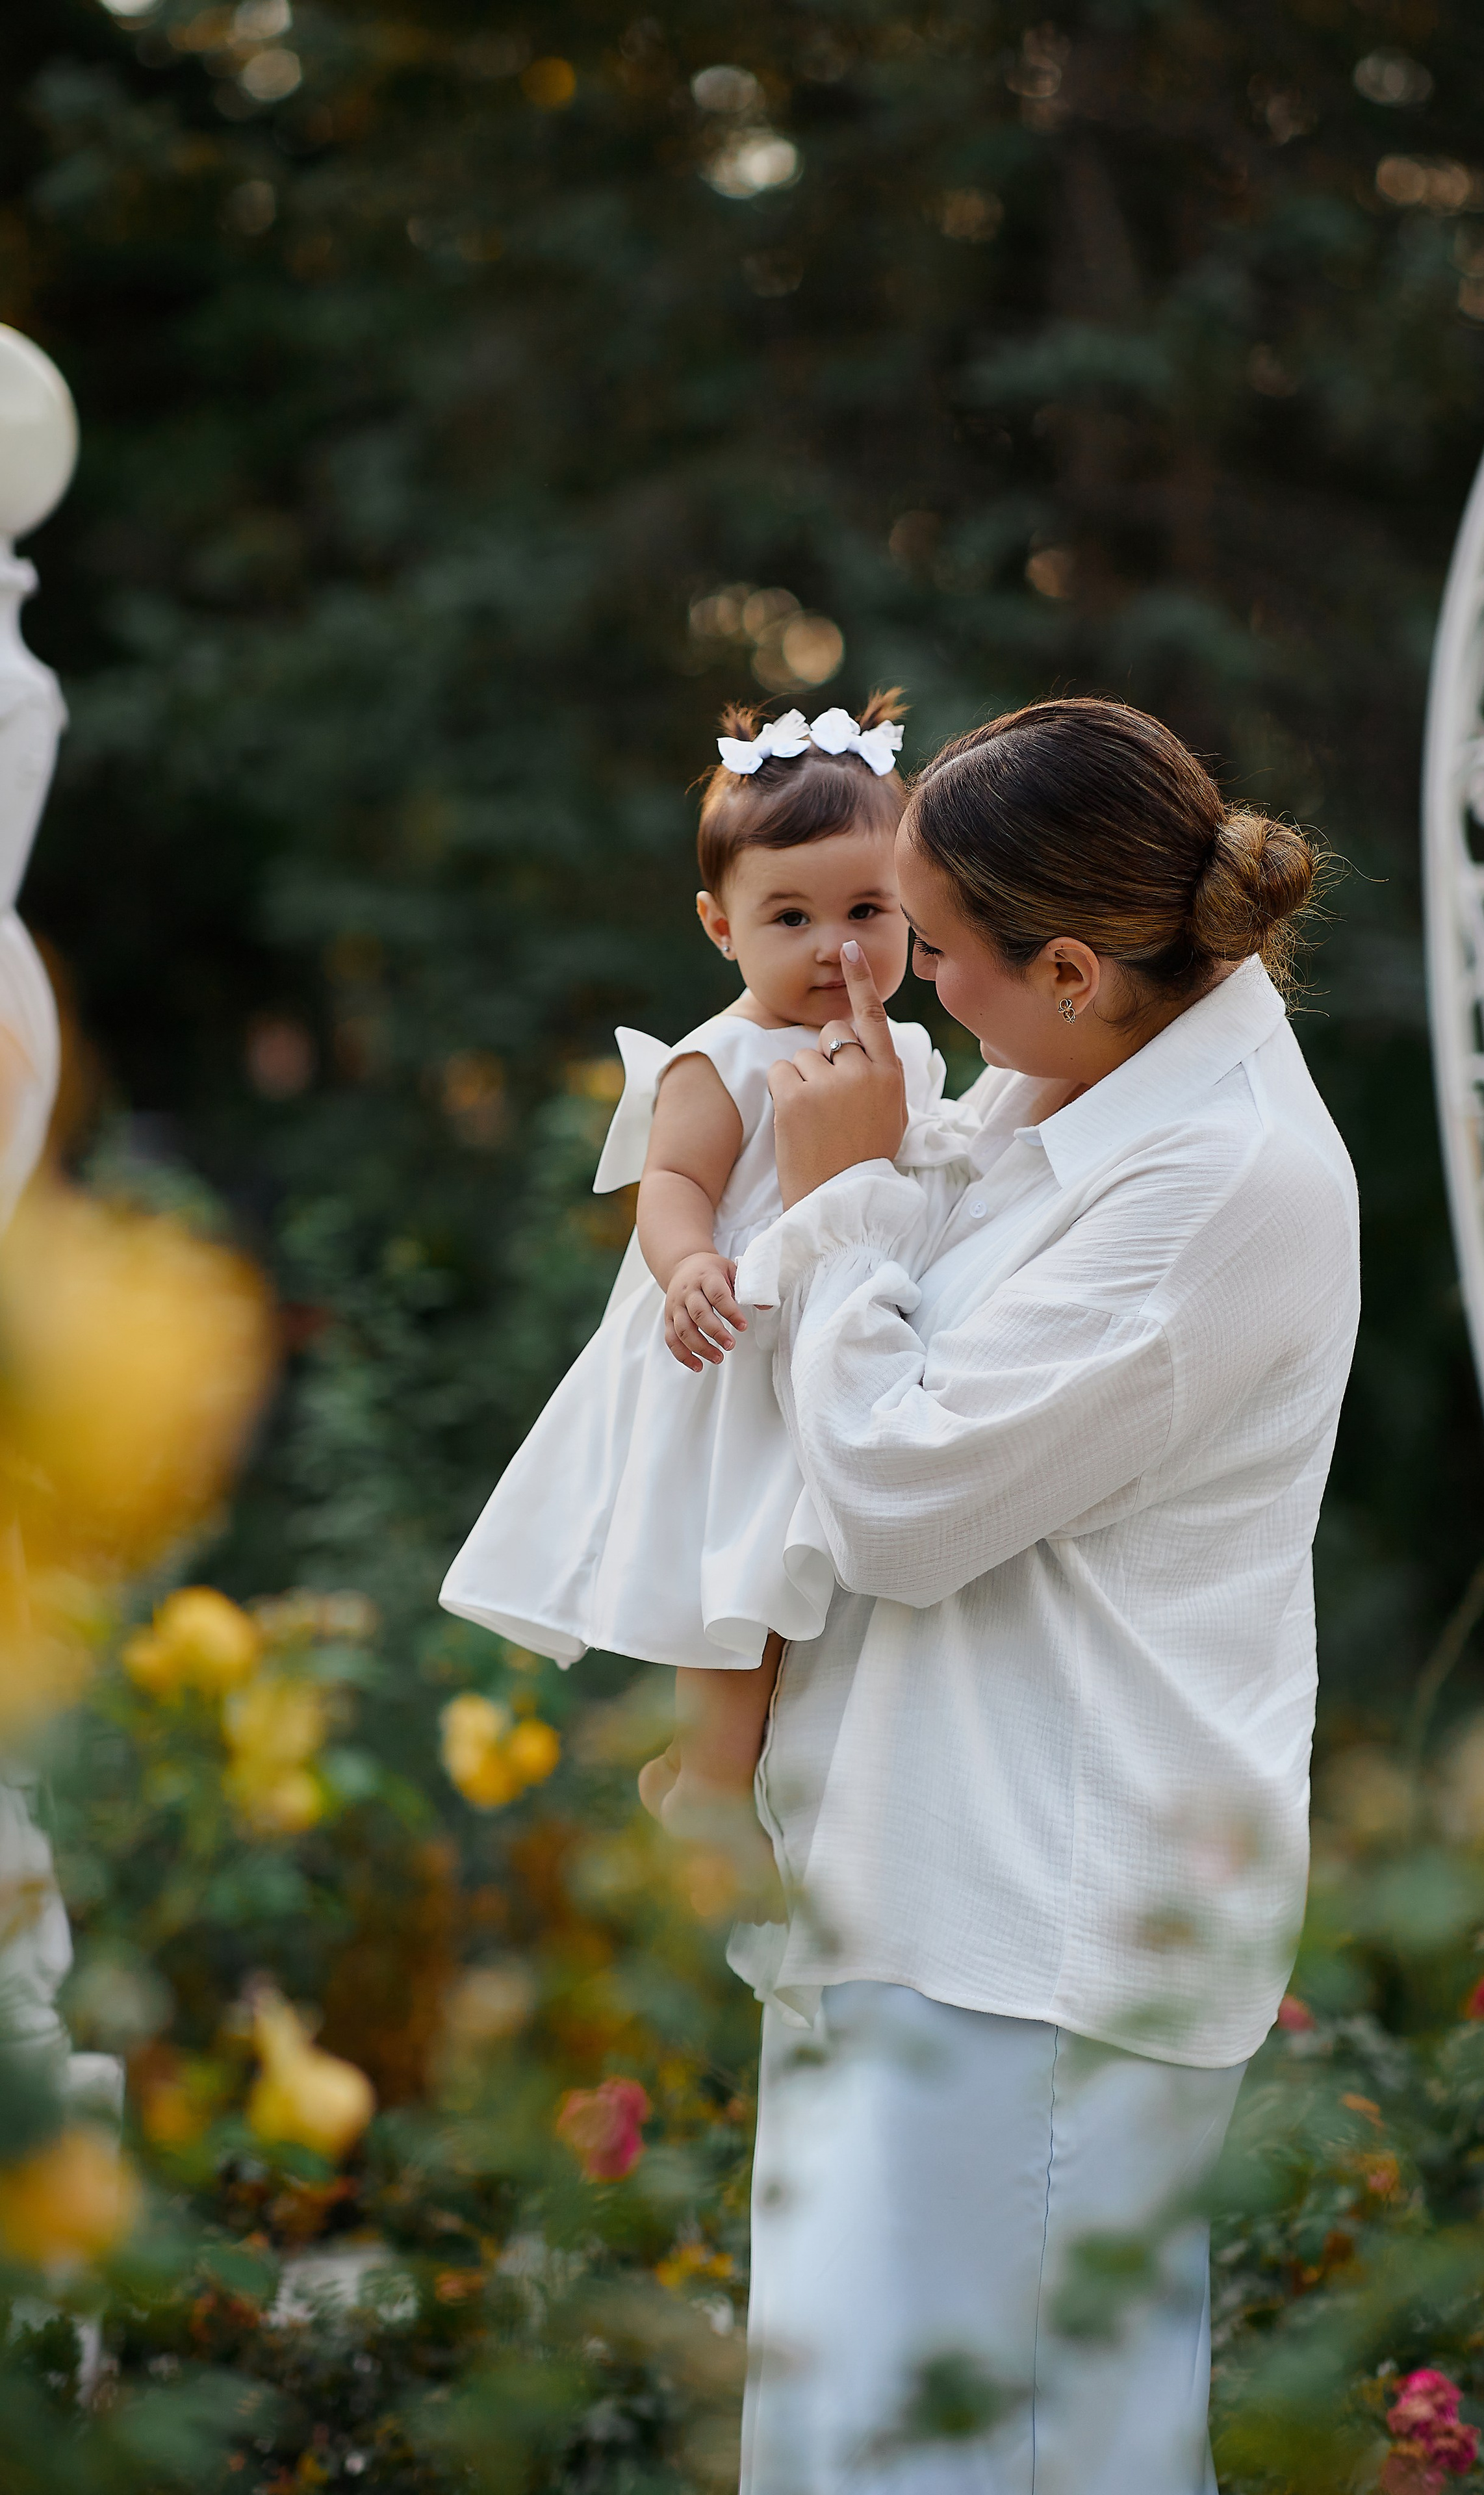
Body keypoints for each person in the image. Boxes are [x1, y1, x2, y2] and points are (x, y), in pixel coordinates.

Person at [724, 697, 1361, 2493]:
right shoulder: (1071, 1074)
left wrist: (847, 1209)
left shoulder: (1225, 1181)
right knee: (852, 2443)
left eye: (931, 951)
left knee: (986, 2457)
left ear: (1072, 966)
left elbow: (908, 1503)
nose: (901, 983)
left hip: (1040, 1930)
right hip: (915, 1889)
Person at [439, 691, 955, 1830]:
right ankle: (706, 1792)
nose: (836, 947)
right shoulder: (718, 1059)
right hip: (749, 1351)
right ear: (722, 928)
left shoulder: (907, 1049)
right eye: (790, 919)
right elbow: (671, 1187)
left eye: (868, 909)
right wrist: (685, 1269)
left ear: (917, 911)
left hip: (868, 1338)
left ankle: (756, 1781)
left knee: (821, 1592)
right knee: (745, 1590)